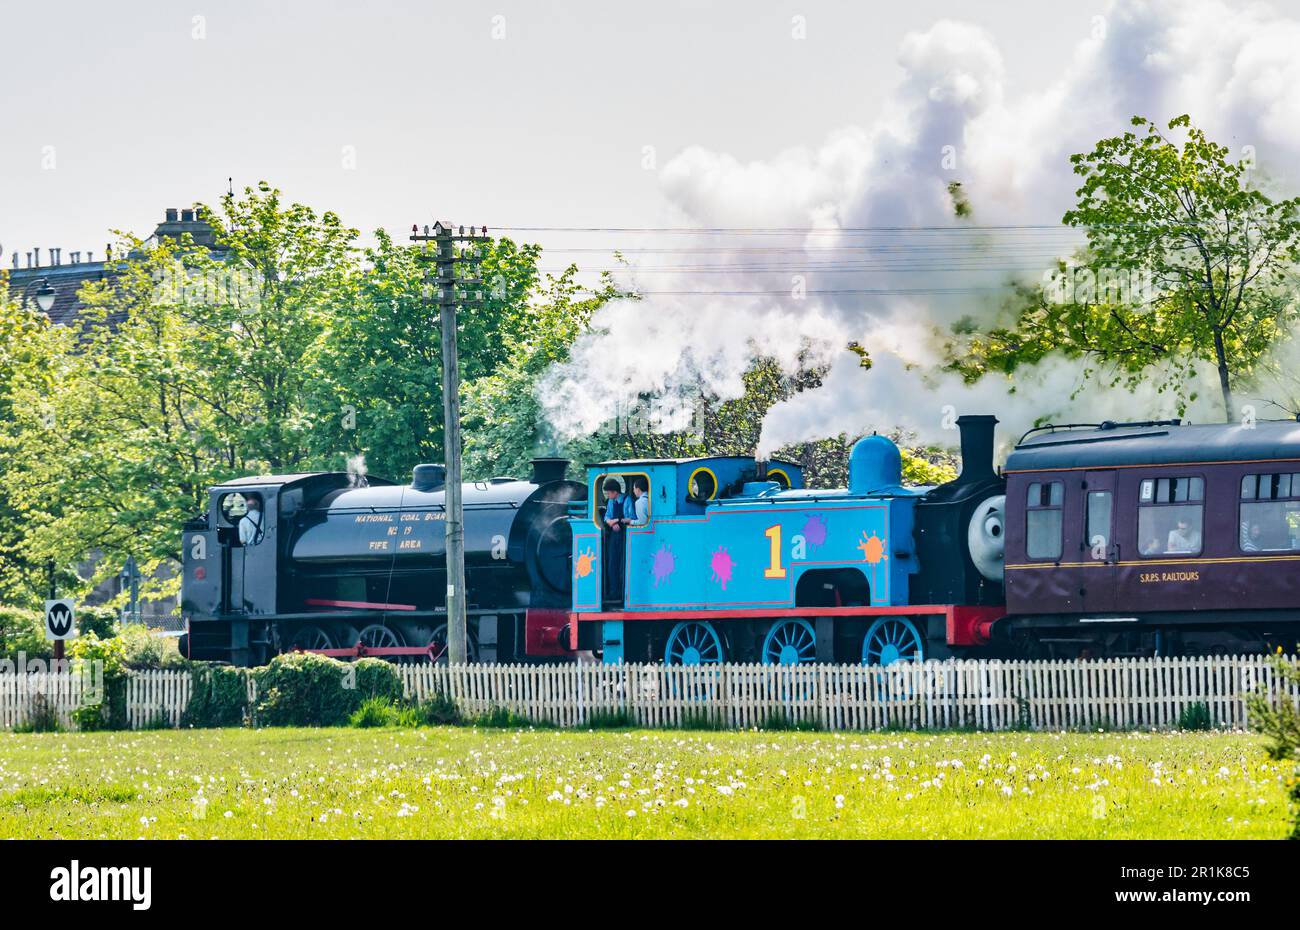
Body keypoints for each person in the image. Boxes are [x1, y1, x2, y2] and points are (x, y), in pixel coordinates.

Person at [601, 478, 627, 604]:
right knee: (612, 563)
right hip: (614, 535)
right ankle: (613, 592)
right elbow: (607, 516)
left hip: (625, 535)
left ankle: (622, 593)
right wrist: (611, 523)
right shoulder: (611, 502)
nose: (608, 496)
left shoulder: (627, 501)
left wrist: (617, 521)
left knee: (622, 564)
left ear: (615, 492)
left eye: (609, 493)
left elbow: (631, 517)